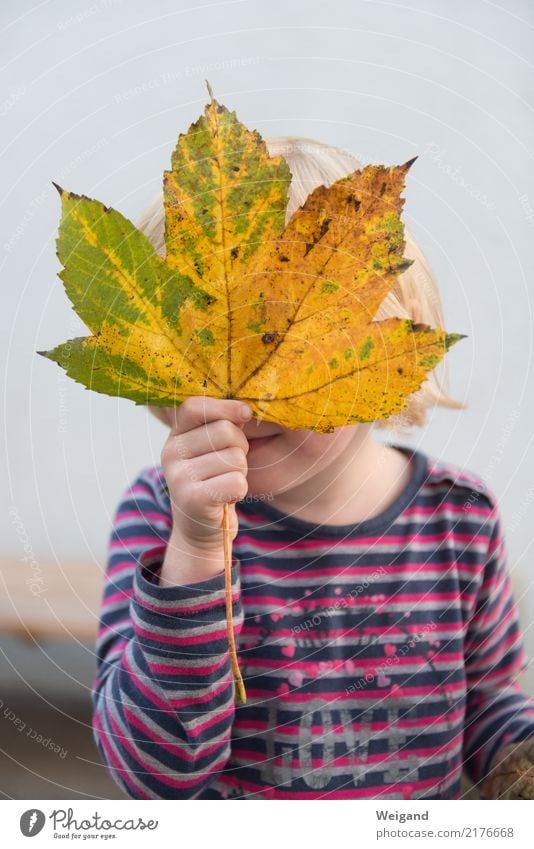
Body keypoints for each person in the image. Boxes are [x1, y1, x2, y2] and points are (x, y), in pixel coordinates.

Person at [91, 136, 534, 800]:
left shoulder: (460, 517)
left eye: (285, 346)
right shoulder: (162, 518)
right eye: (197, 351)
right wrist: (196, 548)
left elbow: (488, 701)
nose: (240, 397)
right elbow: (156, 775)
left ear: (394, 347)